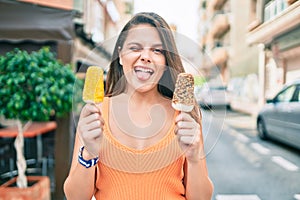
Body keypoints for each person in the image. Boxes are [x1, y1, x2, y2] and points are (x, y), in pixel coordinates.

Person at [64, 12, 213, 200]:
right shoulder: (96, 114)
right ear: (120, 55)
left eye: (157, 51)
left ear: (166, 60)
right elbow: (75, 197)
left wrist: (194, 158)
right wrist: (89, 153)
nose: (145, 57)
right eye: (135, 48)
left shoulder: (185, 118)